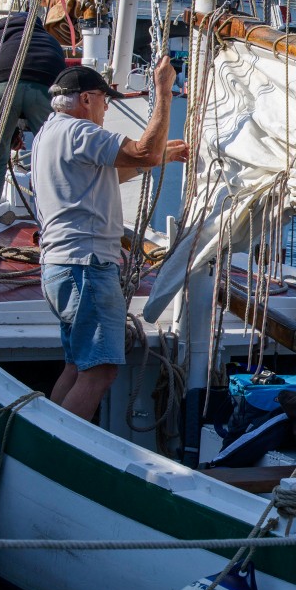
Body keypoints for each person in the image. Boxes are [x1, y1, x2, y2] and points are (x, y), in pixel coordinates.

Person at [33, 57, 189, 421]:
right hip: (86, 267)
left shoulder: (49, 134)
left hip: (62, 267)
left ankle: (46, 432)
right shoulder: (79, 131)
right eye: (106, 101)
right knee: (100, 371)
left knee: (76, 367)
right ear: (87, 99)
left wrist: (160, 157)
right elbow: (143, 151)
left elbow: (106, 177)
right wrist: (163, 91)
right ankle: (60, 447)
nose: (106, 109)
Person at [0, 12, 66, 255]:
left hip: (2, 84)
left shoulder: (0, 35)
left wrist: (9, 128)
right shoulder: (49, 40)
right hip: (44, 88)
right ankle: (53, 230)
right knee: (49, 159)